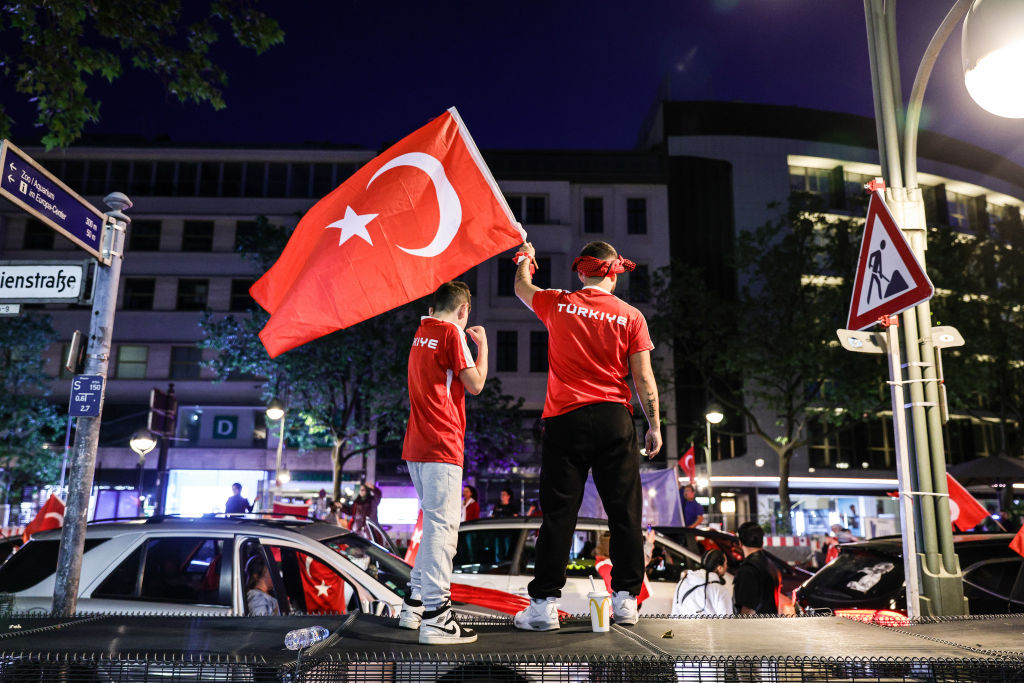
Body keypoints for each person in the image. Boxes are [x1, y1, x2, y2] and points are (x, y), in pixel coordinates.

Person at [512, 240, 662, 632]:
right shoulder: (631, 316)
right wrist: (655, 425)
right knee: (625, 513)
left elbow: (521, 288)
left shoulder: (558, 302)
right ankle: (627, 601)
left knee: (559, 516)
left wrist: (526, 259)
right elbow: (644, 377)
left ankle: (544, 605)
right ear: (615, 273)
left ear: (581, 271)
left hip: (566, 418)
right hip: (616, 418)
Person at [396, 281, 488, 645]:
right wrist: (483, 348)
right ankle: (437, 617)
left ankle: (415, 605)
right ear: (464, 310)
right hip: (442, 443)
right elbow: (476, 384)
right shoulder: (452, 333)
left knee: (434, 525)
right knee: (443, 530)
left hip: (417, 444)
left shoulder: (423, 331)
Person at [733, 521, 781, 615]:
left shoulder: (747, 570)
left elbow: (746, 610)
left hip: (755, 627)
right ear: (762, 542)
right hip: (770, 624)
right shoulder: (771, 566)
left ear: (740, 543)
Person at [671, 549, 732, 616]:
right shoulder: (720, 591)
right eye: (726, 563)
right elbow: (726, 623)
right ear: (719, 568)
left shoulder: (683, 582)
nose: (727, 566)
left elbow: (675, 613)